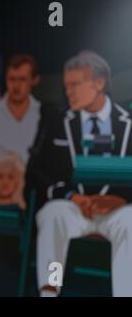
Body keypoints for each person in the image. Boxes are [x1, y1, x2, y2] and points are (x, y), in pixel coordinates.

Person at [28, 50, 132, 297]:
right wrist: (72, 196)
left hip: (117, 209)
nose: (68, 91)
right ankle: (49, 292)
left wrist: (122, 199)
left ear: (99, 83)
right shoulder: (56, 120)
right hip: (73, 206)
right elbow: (36, 170)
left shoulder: (129, 122)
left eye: (75, 84)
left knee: (131, 221)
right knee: (51, 214)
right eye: (66, 86)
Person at [0, 53, 41, 177]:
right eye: (12, 79)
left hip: (32, 178)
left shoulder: (42, 114)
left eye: (22, 79)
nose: (16, 86)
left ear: (34, 80)